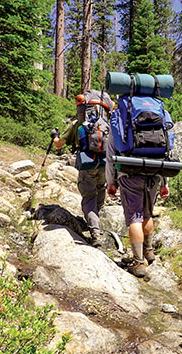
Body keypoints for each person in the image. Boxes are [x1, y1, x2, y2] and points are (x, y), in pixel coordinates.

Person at [52, 92, 113, 248]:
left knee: (89, 198)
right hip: (105, 165)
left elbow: (59, 144)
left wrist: (54, 136)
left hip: (87, 165)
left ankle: (95, 233)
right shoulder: (109, 124)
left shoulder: (78, 124)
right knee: (100, 191)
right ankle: (95, 222)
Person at [105, 141, 170, 278]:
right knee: (147, 214)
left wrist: (111, 181)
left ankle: (139, 263)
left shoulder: (119, 119)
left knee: (135, 218)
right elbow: (167, 149)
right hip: (154, 172)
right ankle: (149, 251)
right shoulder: (158, 118)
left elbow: (111, 152)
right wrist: (165, 182)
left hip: (129, 173)